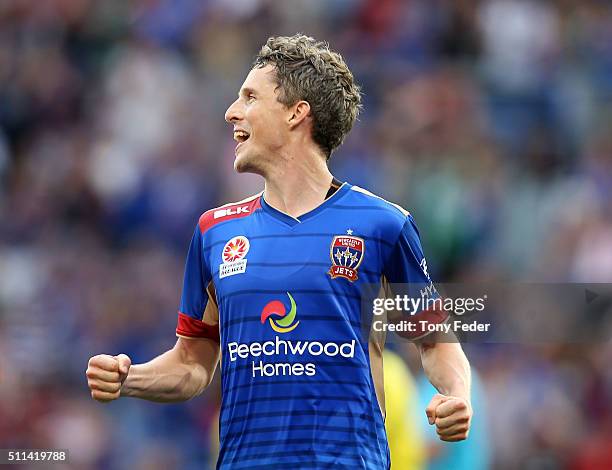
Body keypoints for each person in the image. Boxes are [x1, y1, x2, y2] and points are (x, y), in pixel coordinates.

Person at [86, 34, 472, 469]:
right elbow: (192, 363)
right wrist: (130, 377)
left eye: (250, 97)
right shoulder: (215, 232)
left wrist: (455, 396)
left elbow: (437, 341)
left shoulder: (383, 225)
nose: (232, 111)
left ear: (296, 112)